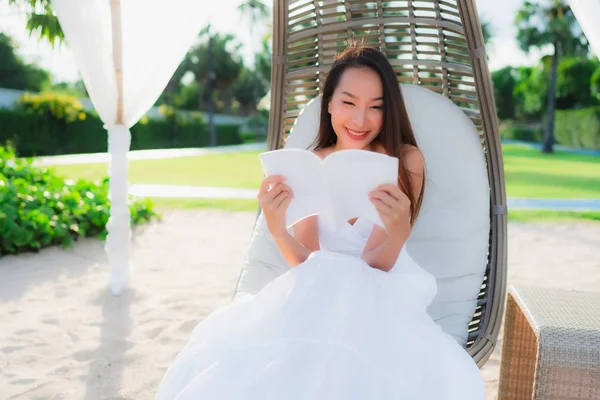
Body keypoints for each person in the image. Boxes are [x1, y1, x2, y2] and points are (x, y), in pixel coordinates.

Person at [154, 42, 485, 400]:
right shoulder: (310, 162)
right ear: (328, 103)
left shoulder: (405, 161)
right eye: (348, 103)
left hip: (380, 286)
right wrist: (277, 226)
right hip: (318, 286)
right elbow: (304, 260)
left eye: (375, 107)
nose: (360, 120)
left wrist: (399, 229)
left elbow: (378, 264)